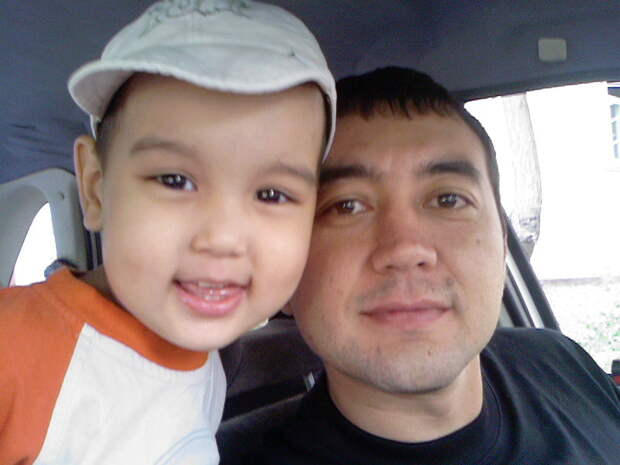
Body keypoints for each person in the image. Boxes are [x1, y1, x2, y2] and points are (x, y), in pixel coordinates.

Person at [0, 1, 335, 463]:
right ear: (96, 189)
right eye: (175, 180)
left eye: (272, 195)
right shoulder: (12, 345)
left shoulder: (208, 364)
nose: (222, 237)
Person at [258, 67, 620, 464]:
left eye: (448, 200)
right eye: (345, 206)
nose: (405, 249)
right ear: (284, 274)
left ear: (502, 243)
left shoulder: (561, 361)